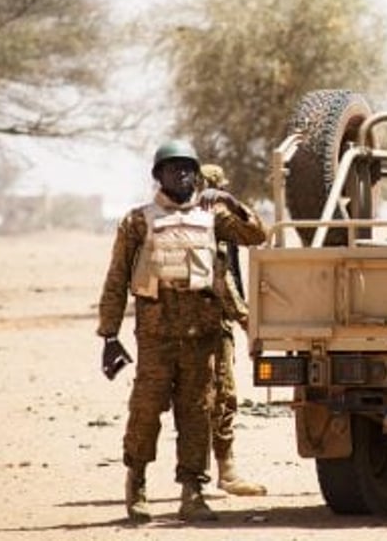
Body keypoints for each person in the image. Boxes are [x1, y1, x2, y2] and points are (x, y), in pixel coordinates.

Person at [96, 140, 267, 524]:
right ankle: (136, 484)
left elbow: (257, 235)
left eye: (188, 168)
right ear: (158, 176)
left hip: (202, 337)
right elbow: (117, 279)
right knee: (145, 412)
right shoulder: (137, 221)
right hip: (156, 339)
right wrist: (109, 335)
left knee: (197, 415)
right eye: (174, 169)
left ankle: (193, 492)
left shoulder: (213, 217)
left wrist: (230, 200)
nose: (183, 175)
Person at [199, 163, 267, 497]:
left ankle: (210, 475)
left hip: (207, 322)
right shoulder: (211, 221)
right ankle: (215, 474)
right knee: (215, 398)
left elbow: (257, 234)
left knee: (212, 399)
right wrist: (246, 320)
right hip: (208, 322)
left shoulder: (214, 218)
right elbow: (221, 278)